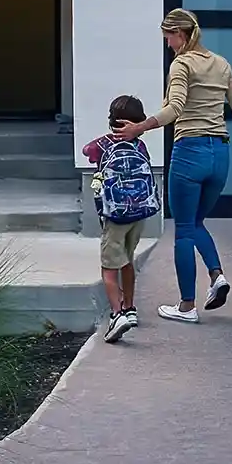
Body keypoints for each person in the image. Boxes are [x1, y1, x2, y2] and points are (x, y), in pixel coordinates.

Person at [111, 9, 232, 324]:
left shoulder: (182, 64)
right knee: (196, 221)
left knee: (184, 229)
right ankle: (217, 276)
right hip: (220, 155)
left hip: (190, 152)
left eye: (168, 37)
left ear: (181, 34)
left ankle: (186, 306)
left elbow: (175, 108)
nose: (167, 43)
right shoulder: (221, 64)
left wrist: (139, 127)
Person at [82, 95, 159, 344]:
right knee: (127, 260)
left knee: (109, 268)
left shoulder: (104, 144)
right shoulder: (140, 146)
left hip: (114, 216)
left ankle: (117, 315)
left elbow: (87, 151)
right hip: (138, 214)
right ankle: (130, 308)